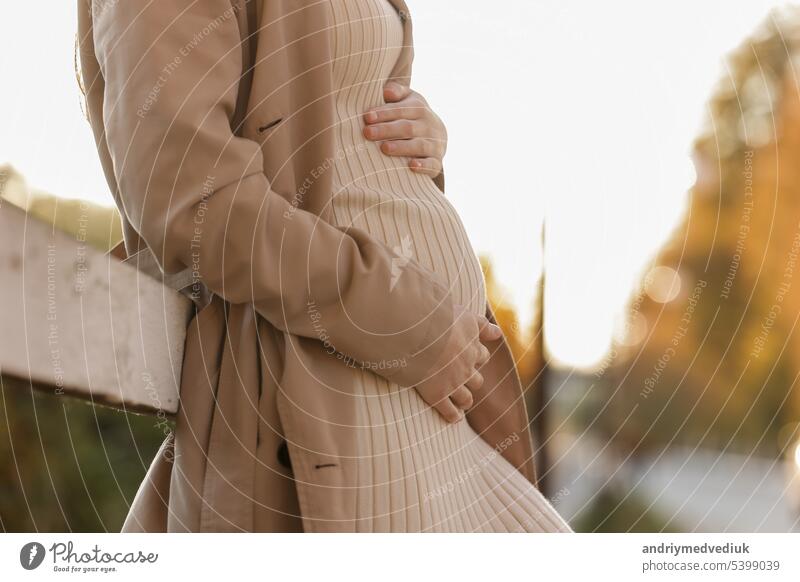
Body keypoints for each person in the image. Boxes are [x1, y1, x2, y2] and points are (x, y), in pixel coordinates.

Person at [77, 0, 570, 532]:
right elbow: (192, 199)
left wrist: (409, 140)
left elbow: (318, 131)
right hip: (336, 390)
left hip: (428, 389)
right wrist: (403, 318)